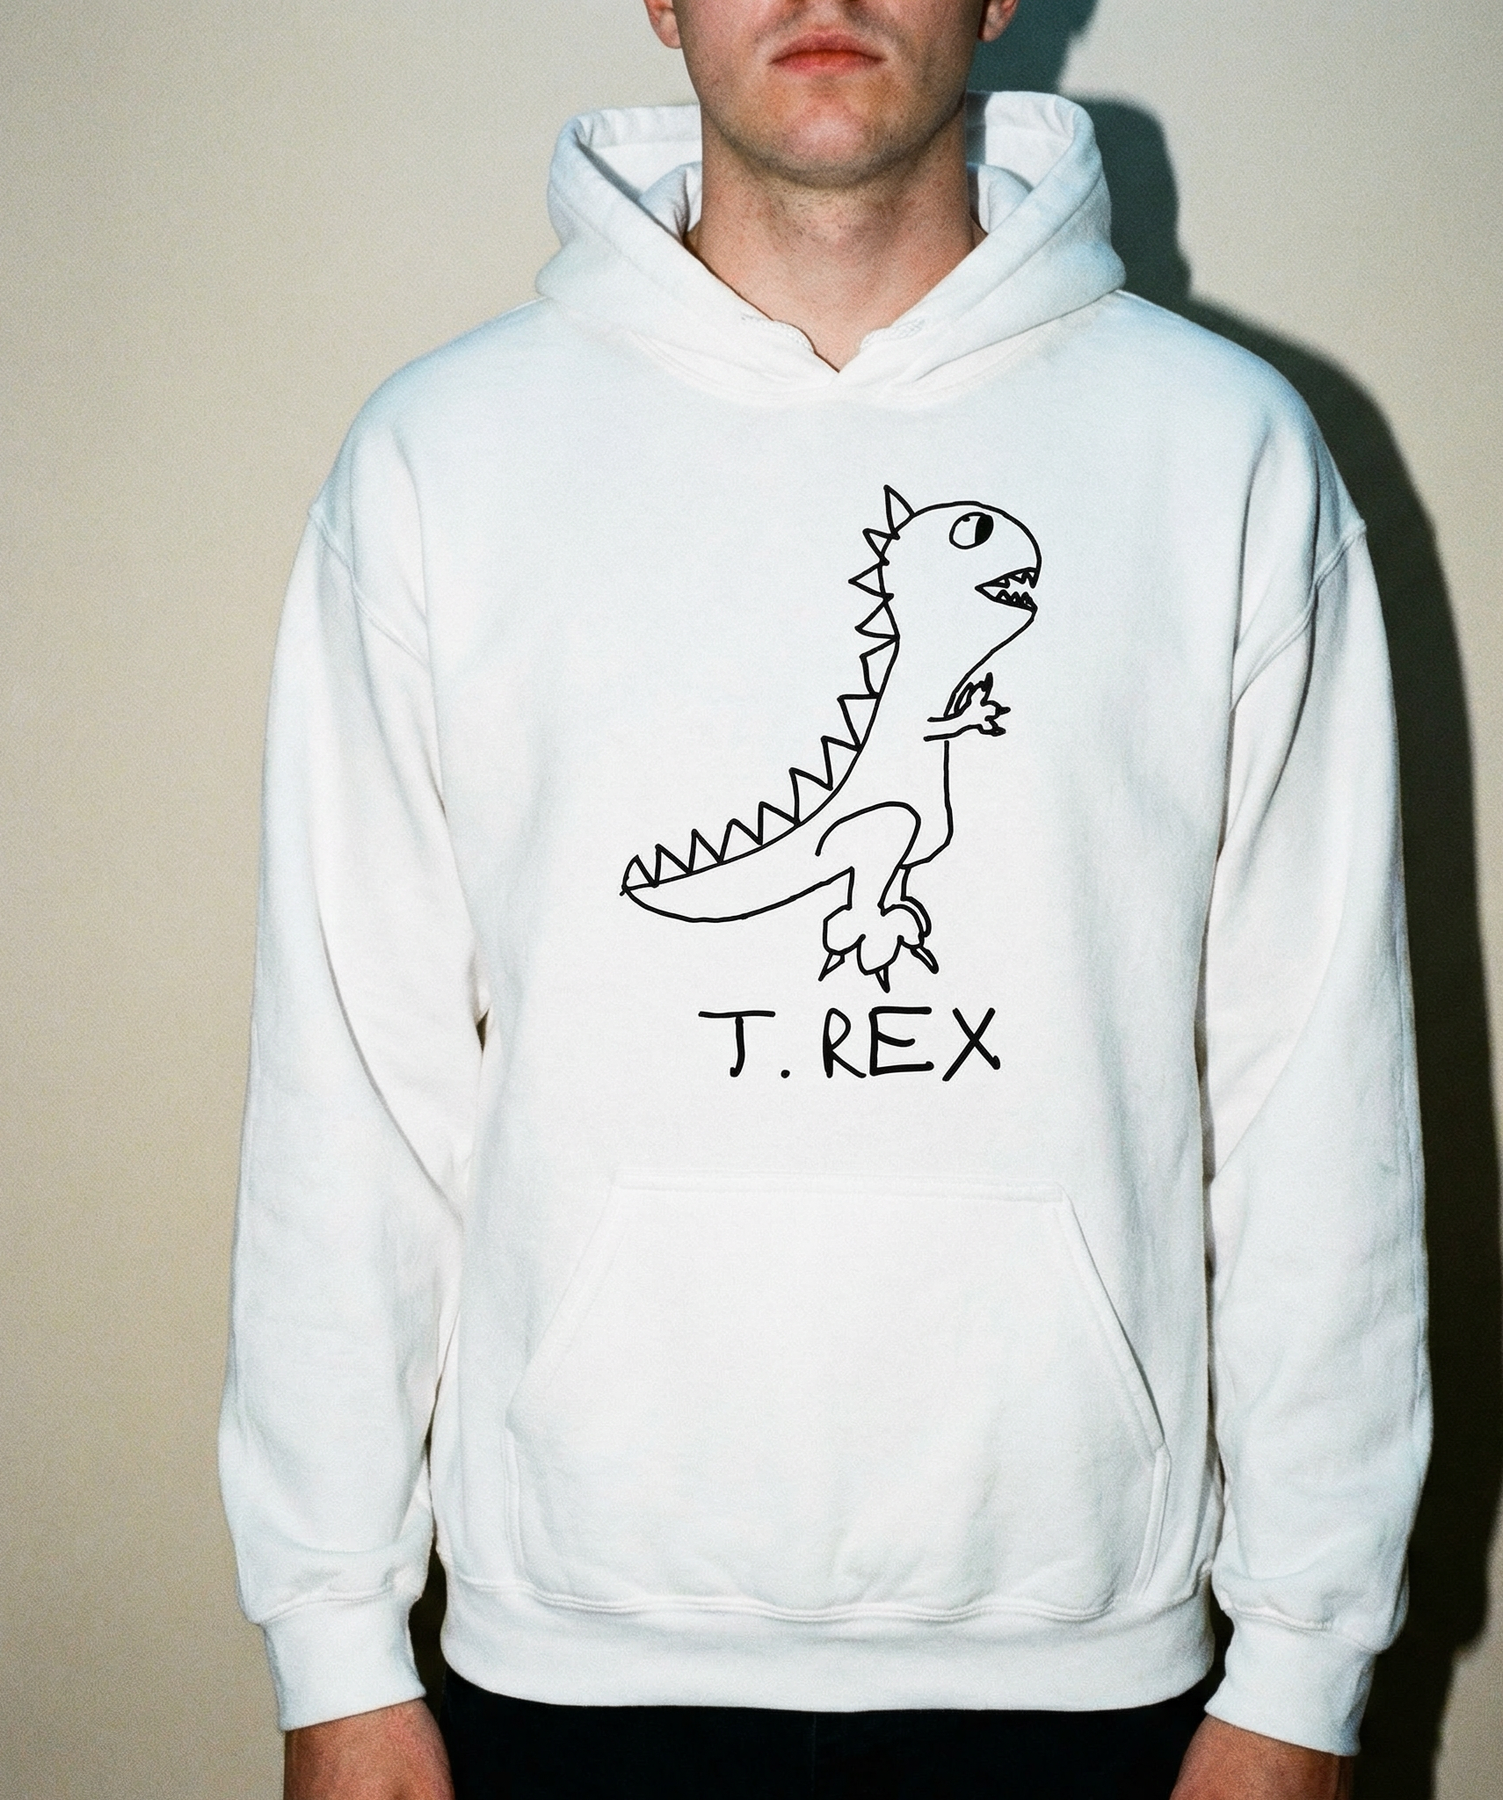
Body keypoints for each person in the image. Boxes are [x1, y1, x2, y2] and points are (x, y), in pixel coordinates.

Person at [218, 2, 1429, 1795]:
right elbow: (352, 1088)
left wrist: (1306, 1669)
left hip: (1088, 1659)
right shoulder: (439, 459)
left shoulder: (1223, 449)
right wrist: (332, 1642)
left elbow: (1315, 1087)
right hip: (565, 1654)